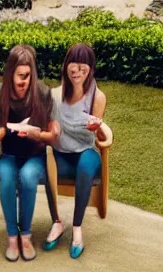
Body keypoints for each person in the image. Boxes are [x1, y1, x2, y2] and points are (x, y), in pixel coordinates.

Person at [0, 45, 59, 262]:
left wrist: (39, 134)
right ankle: (11, 236)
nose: (24, 81)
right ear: (10, 73)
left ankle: (25, 234)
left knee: (27, 177)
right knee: (7, 179)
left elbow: (52, 130)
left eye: (28, 75)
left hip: (35, 154)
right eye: (20, 75)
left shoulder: (43, 92)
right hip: (9, 153)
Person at [43, 44, 107, 259]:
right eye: (74, 67)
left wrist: (96, 128)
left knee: (86, 166)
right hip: (60, 152)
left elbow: (97, 136)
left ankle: (77, 227)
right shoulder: (54, 95)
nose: (77, 72)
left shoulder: (97, 97)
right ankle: (57, 222)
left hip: (84, 151)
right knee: (45, 161)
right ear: (66, 67)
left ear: (90, 69)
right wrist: (52, 129)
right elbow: (49, 128)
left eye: (83, 68)